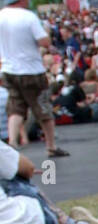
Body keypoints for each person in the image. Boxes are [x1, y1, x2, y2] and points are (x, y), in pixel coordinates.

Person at [1, 0, 67, 158]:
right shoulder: (28, 17)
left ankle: (13, 144)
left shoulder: (1, 16)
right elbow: (44, 41)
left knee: (16, 108)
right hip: (31, 70)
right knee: (43, 108)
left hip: (9, 69)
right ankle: (51, 146)